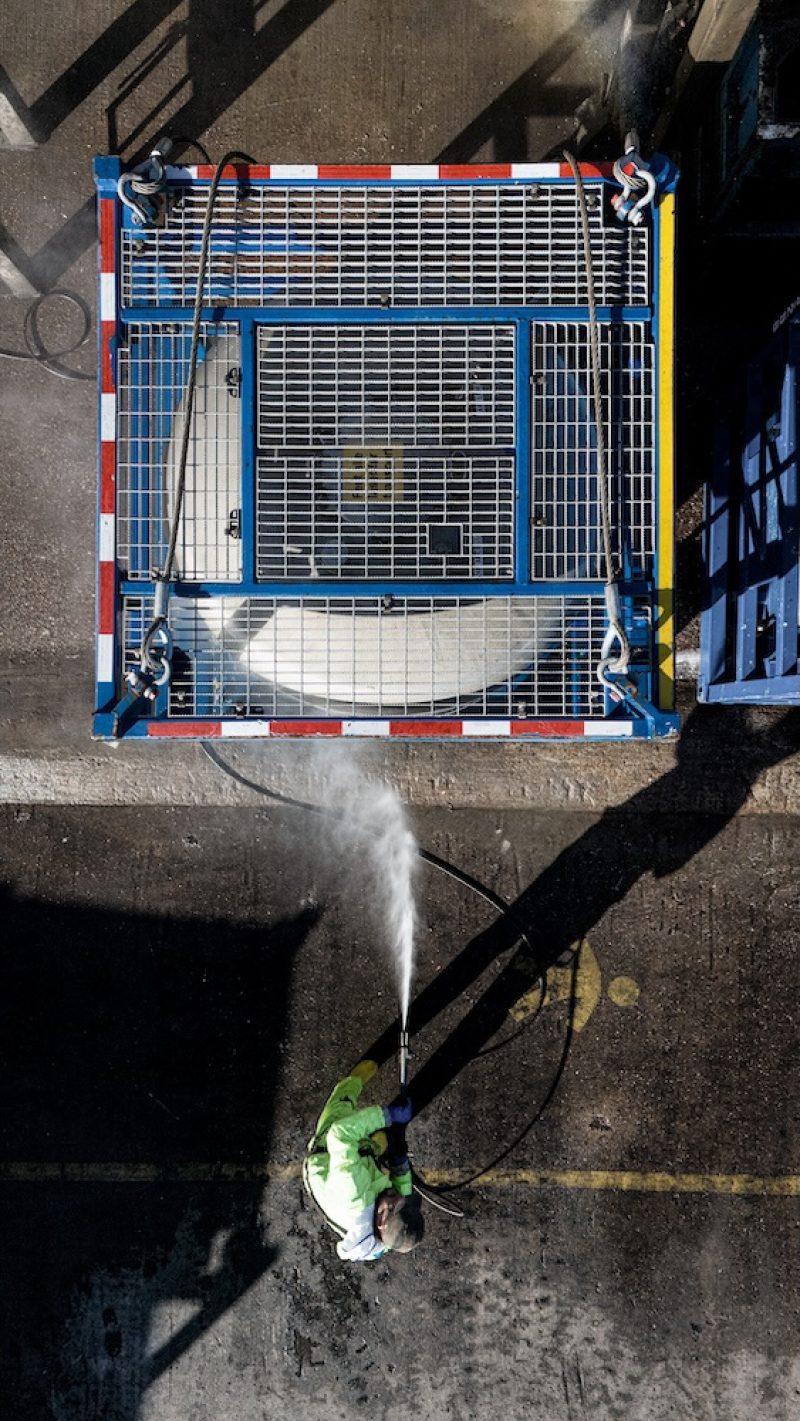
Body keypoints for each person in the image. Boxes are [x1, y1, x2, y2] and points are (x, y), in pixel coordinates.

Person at [303, 1059, 424, 1261]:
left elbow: (339, 1135)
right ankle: (375, 1143)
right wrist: (401, 1166)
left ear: (381, 1222)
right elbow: (402, 1194)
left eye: (396, 1203)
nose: (399, 1196)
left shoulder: (353, 1193)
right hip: (363, 1176)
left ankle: (356, 1077)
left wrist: (386, 1116)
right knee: (385, 1140)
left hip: (325, 1155)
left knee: (343, 1103)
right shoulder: (390, 1238)